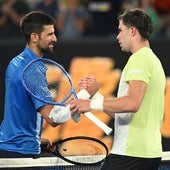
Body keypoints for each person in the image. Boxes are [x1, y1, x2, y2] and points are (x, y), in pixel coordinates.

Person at [70, 8, 166, 170]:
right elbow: (125, 113)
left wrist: (89, 104)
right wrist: (95, 97)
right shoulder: (153, 60)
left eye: (121, 30)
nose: (118, 36)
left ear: (133, 31)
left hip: (130, 154)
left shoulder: (139, 59)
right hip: (148, 154)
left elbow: (132, 103)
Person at [0, 11, 98, 158]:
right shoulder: (32, 69)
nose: (55, 39)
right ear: (34, 37)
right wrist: (87, 94)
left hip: (9, 146)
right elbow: (53, 118)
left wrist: (35, 139)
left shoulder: (16, 62)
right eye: (50, 34)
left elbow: (19, 109)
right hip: (21, 153)